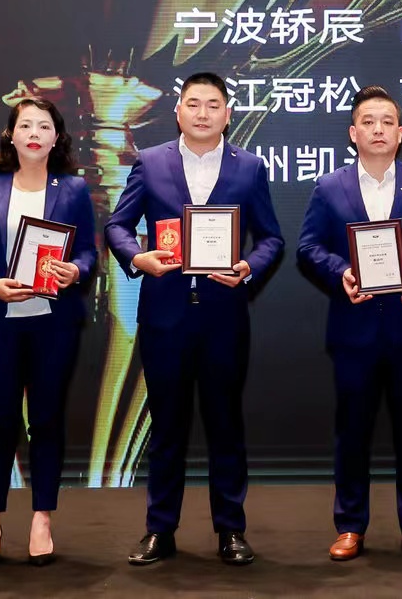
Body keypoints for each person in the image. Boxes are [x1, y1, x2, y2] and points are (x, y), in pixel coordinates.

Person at [105, 72, 284, 567]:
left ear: (228, 113)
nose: (202, 113)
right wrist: (136, 257)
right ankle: (159, 529)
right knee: (167, 427)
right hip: (165, 317)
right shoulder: (150, 161)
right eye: (193, 103)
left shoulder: (249, 167)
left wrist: (248, 267)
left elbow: (271, 238)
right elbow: (117, 225)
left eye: (212, 104)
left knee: (226, 425)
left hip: (224, 317)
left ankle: (231, 529)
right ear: (178, 111)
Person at [296, 86, 402, 563]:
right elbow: (308, 248)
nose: (378, 129)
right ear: (353, 133)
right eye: (368, 121)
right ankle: (350, 526)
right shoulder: (329, 187)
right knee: (352, 433)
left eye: (387, 121)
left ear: (401, 132)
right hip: (354, 331)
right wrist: (341, 273)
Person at [0, 97, 95, 567]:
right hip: (0, 321)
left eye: (43, 126)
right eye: (25, 126)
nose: (34, 134)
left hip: (54, 322)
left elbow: (88, 253)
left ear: (57, 138)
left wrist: (75, 272)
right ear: (11, 135)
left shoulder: (73, 189)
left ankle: (42, 518)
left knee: (47, 420)